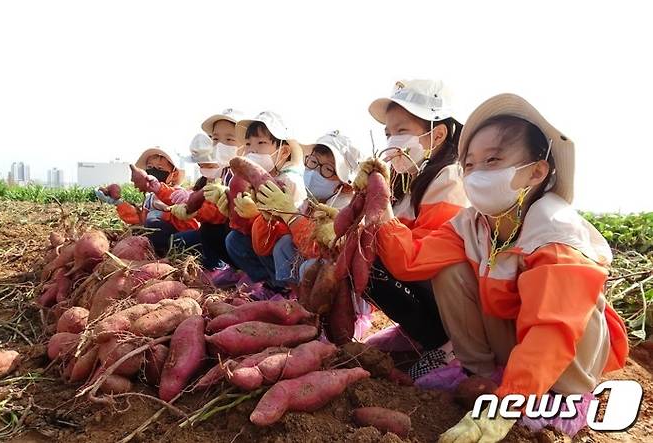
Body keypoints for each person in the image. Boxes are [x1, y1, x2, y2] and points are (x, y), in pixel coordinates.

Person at [375, 93, 628, 441]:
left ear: (536, 171)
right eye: (470, 165)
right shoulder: (473, 224)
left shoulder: (556, 232)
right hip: (511, 339)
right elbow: (410, 261)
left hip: (563, 357)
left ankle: (550, 396)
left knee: (554, 354)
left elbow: (550, 332)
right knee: (450, 269)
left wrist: (505, 405)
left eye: (493, 160)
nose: (477, 175)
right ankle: (478, 372)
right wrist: (380, 212)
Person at [357, 80, 468, 373]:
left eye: (402, 131)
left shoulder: (450, 179)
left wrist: (380, 210)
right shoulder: (407, 180)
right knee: (365, 261)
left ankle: (445, 343)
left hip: (457, 295)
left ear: (438, 134)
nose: (392, 141)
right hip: (423, 274)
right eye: (389, 133)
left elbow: (417, 260)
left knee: (374, 267)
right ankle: (418, 329)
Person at [255, 130, 372, 338]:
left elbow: (320, 249)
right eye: (313, 163)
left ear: (344, 182)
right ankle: (302, 304)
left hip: (348, 286)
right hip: (315, 272)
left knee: (314, 266)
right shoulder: (309, 203)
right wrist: (268, 218)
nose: (315, 172)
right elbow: (265, 245)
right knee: (283, 245)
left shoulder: (348, 206)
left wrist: (290, 217)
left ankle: (354, 317)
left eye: (327, 169)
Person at [220, 111, 306, 299]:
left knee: (280, 244)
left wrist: (257, 212)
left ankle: (288, 289)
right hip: (265, 235)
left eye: (261, 143)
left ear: (283, 151)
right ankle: (271, 284)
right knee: (234, 240)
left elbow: (292, 225)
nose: (253, 150)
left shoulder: (290, 181)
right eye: (249, 144)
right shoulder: (253, 180)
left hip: (288, 244)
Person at [170, 109, 245, 285]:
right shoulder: (216, 171)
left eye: (229, 139)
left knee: (213, 230)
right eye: (216, 139)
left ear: (244, 144)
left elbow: (227, 212)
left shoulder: (244, 175)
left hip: (239, 234)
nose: (220, 145)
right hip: (216, 229)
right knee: (176, 240)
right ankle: (223, 268)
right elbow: (201, 196)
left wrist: (196, 209)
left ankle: (230, 269)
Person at [96, 147, 197, 256]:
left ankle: (165, 253)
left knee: (152, 220)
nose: (154, 171)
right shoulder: (149, 197)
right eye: (150, 167)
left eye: (160, 168)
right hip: (151, 246)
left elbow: (192, 224)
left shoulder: (179, 194)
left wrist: (166, 213)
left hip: (178, 244)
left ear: (174, 174)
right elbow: (139, 220)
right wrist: (118, 202)